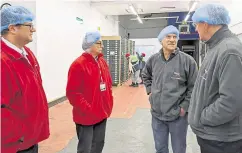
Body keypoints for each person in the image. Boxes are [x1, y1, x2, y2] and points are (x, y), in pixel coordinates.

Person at [188, 4, 242, 153]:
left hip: (222, 141)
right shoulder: (216, 48)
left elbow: (231, 101)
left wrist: (202, 117)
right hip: (213, 137)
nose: (195, 29)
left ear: (205, 24)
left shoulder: (229, 51)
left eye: (196, 25)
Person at [1, 6, 50, 153]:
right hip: (15, 144)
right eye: (29, 25)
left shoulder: (27, 53)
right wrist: (19, 134)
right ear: (12, 28)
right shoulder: (3, 61)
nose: (33, 30)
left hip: (29, 138)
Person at [142, 25, 198, 153]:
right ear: (161, 40)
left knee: (179, 149)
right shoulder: (153, 60)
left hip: (178, 117)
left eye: (175, 37)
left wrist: (184, 107)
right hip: (157, 115)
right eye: (168, 37)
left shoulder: (187, 61)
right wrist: (150, 91)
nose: (172, 40)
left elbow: (194, 87)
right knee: (160, 148)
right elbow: (145, 75)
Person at [66, 31, 113, 153]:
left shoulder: (102, 62)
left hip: (102, 112)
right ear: (89, 44)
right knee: (85, 148)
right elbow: (73, 93)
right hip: (86, 116)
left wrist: (109, 103)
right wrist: (88, 109)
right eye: (98, 43)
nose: (102, 46)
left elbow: (108, 84)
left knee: (98, 145)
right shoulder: (78, 65)